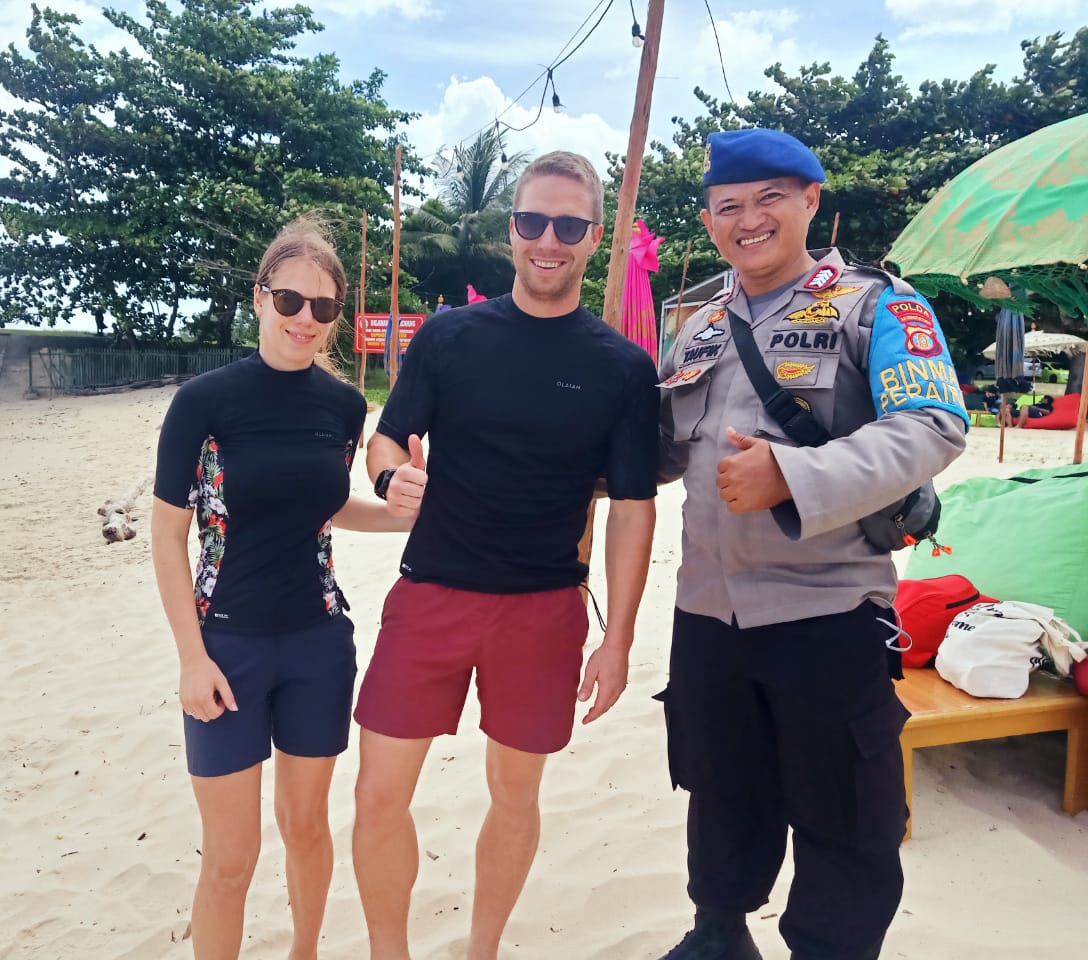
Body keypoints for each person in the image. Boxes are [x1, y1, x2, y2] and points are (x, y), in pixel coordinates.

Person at [655, 129, 968, 960]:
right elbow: (653, 452)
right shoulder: (697, 327)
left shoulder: (877, 305)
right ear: (709, 220)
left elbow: (933, 424)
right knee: (719, 787)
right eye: (728, 206)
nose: (748, 220)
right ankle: (718, 932)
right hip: (706, 614)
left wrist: (794, 476)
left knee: (844, 813)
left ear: (810, 200)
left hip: (828, 611)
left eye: (769, 200)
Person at [351, 151, 660, 960]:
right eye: (532, 221)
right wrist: (389, 478)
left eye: (568, 225)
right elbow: (386, 437)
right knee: (378, 795)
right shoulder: (449, 336)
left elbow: (634, 509)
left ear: (595, 235)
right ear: (510, 229)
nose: (548, 240)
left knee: (515, 797)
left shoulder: (624, 368)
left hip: (544, 608)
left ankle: (481, 951)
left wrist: (619, 638)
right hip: (432, 592)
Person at [151, 215, 409, 960]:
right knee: (230, 857)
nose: (306, 318)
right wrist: (191, 658)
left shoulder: (343, 407)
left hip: (317, 644)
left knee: (305, 826)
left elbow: (325, 506)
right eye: (291, 300)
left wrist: (406, 516)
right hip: (225, 647)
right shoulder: (203, 403)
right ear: (261, 298)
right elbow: (168, 536)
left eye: (324, 306)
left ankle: (304, 951)